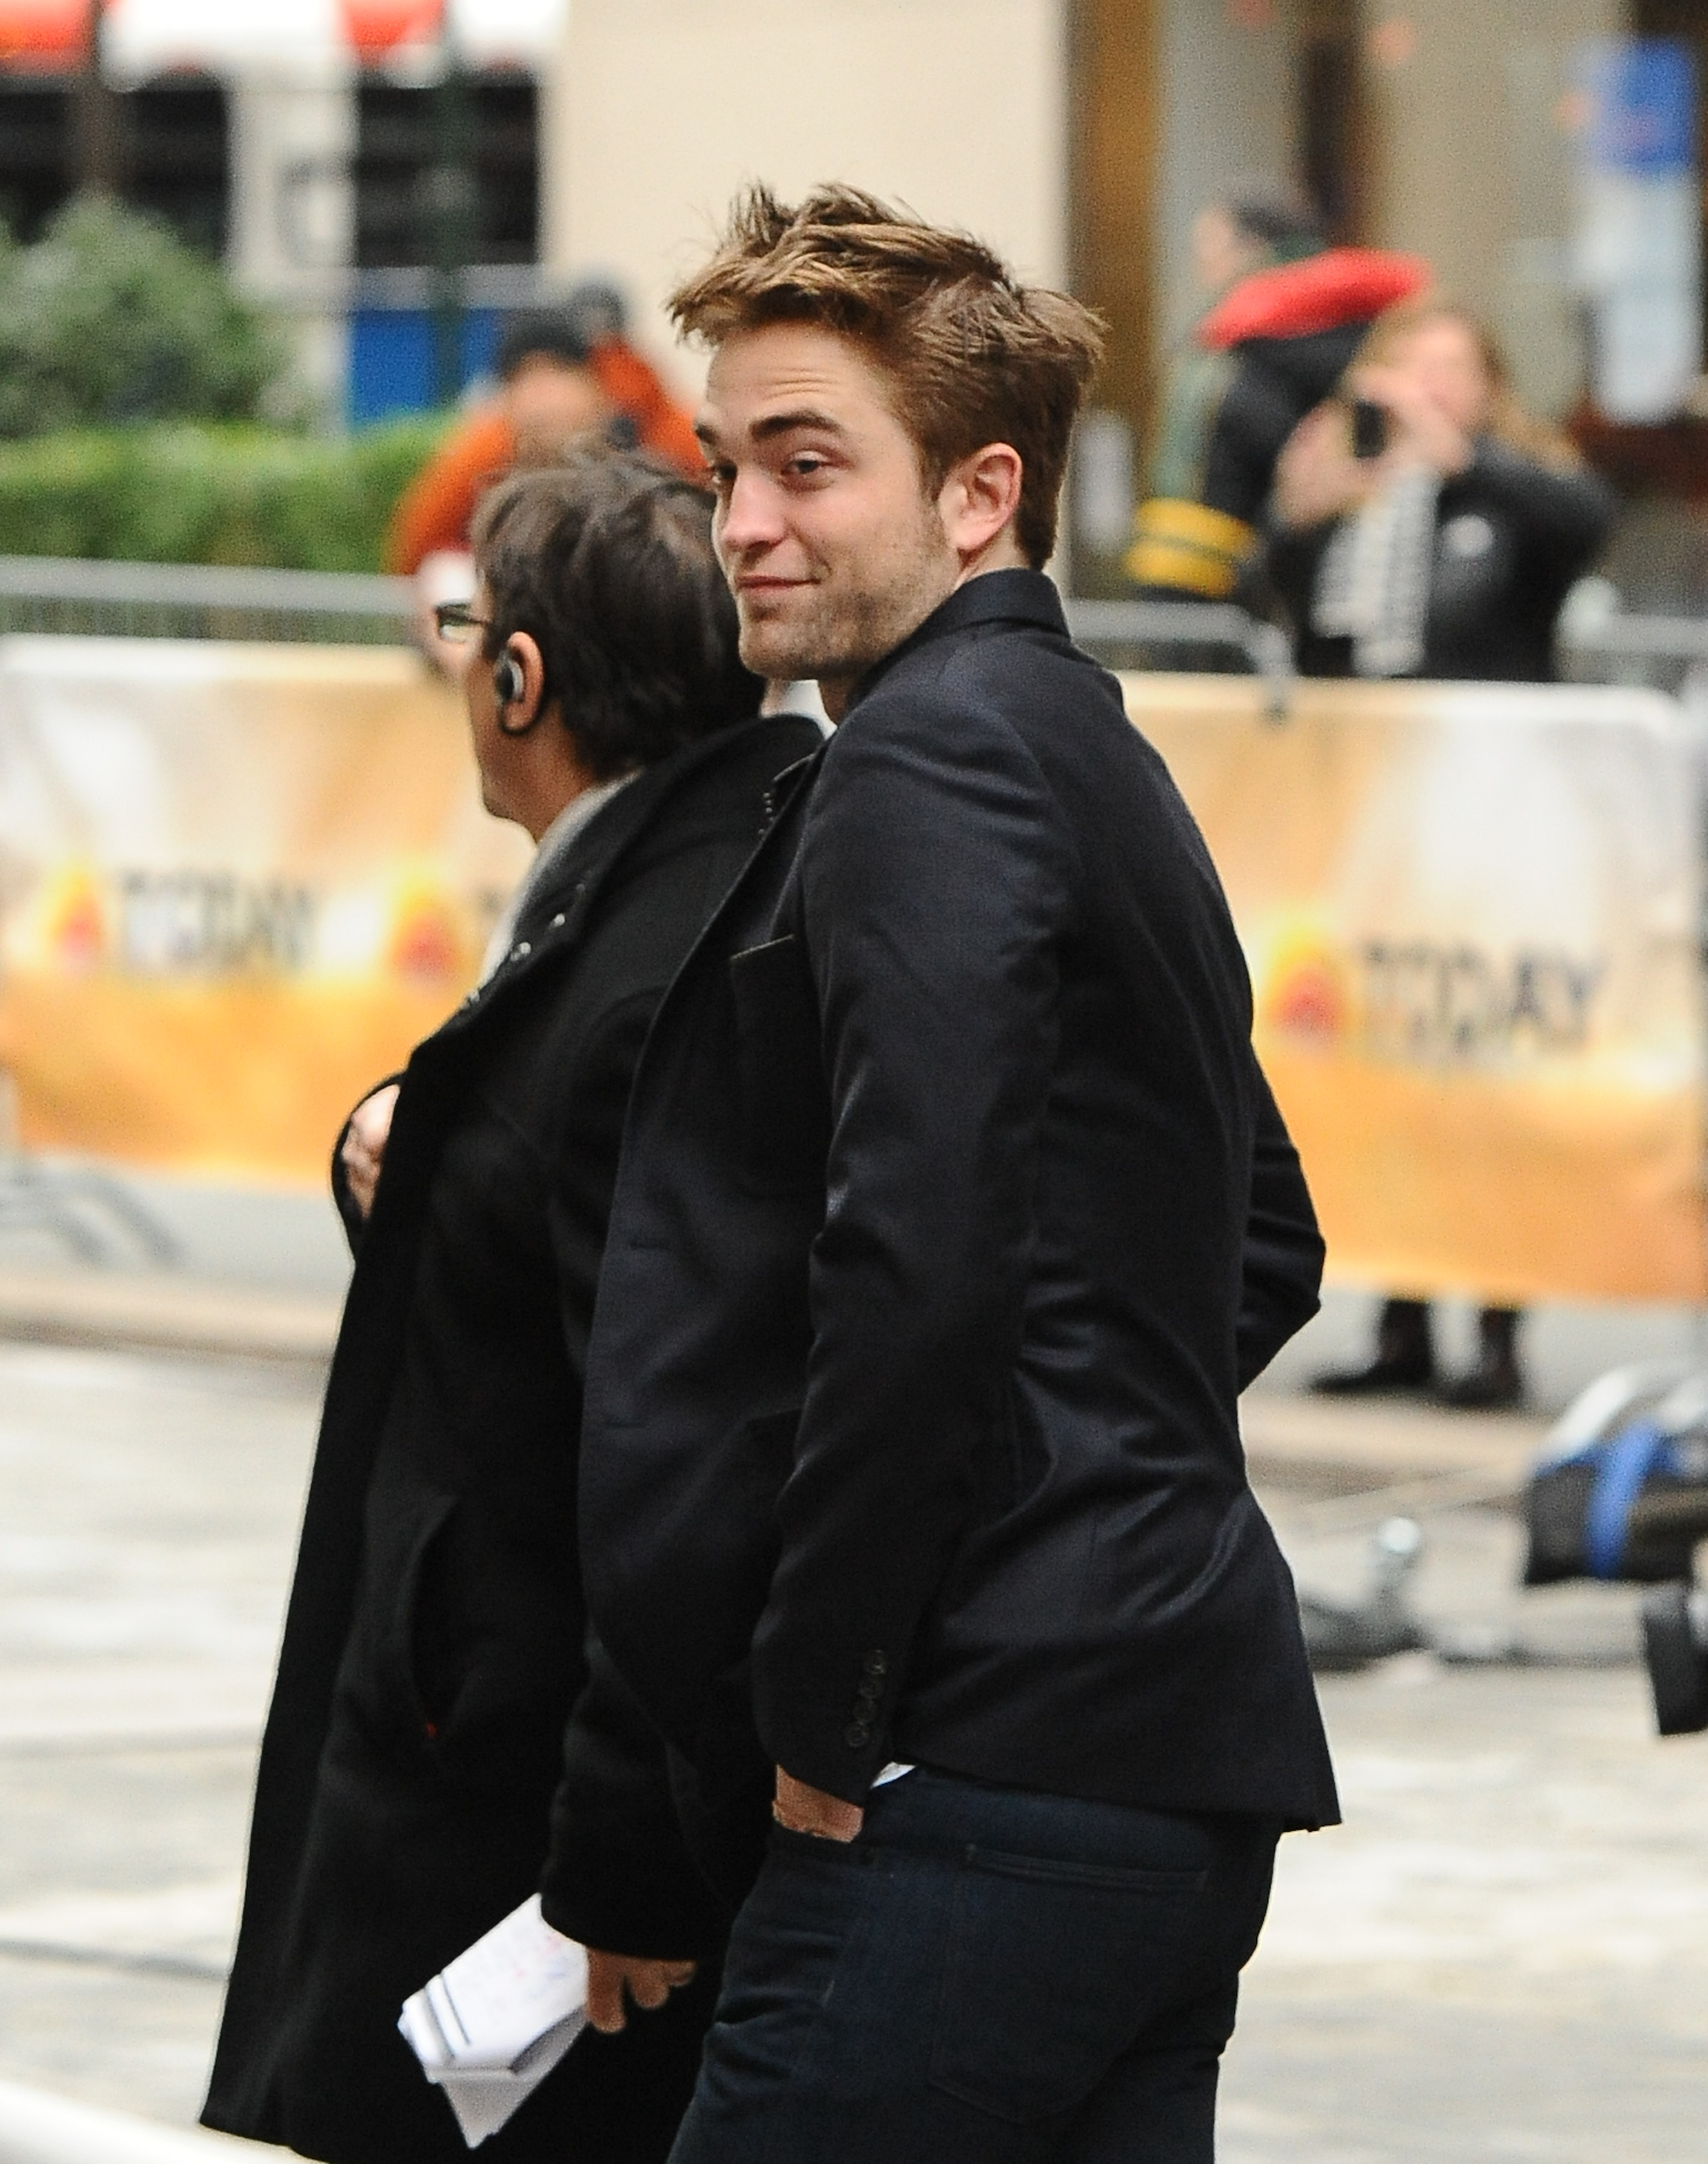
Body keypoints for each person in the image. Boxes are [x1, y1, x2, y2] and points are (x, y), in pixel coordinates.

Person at [563, 183, 1339, 2164]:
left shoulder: (934, 755)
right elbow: (1263, 1236)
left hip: (976, 1773)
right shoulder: (1075, 739)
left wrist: (833, 1712)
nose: (743, 522)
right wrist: (1086, 1473)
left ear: (981, 495)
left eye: (807, 465)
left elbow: (915, 1263)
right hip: (1151, 1754)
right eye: (725, 467)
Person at [201, 449, 824, 2164]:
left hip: (509, 1776)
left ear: (524, 676)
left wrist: (616, 1838)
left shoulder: (667, 944)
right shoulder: (676, 876)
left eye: (472, 633)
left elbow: (667, 1440)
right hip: (498, 1729)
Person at [1267, 297, 1617, 1409]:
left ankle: (1499, 1333)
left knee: (1489, 1081)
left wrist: (1459, 459)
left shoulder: (1512, 489)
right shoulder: (1366, 500)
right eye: (1406, 363)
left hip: (1495, 838)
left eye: (1450, 366)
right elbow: (1312, 640)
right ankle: (1400, 1324)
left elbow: (1584, 527)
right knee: (1386, 1076)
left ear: (1486, 385)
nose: (1424, 384)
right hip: (1379, 835)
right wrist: (1302, 515)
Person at [1127, 179, 1427, 608]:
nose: (1202, 263)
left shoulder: (1274, 330)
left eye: (1213, 247)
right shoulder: (1248, 328)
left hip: (1236, 560)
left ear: (1254, 248)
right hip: (1197, 555)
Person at [385, 295, 703, 578]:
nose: (542, 394)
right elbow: (417, 548)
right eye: (526, 377)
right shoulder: (488, 447)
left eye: (556, 372)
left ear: (594, 383)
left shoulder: (663, 430)